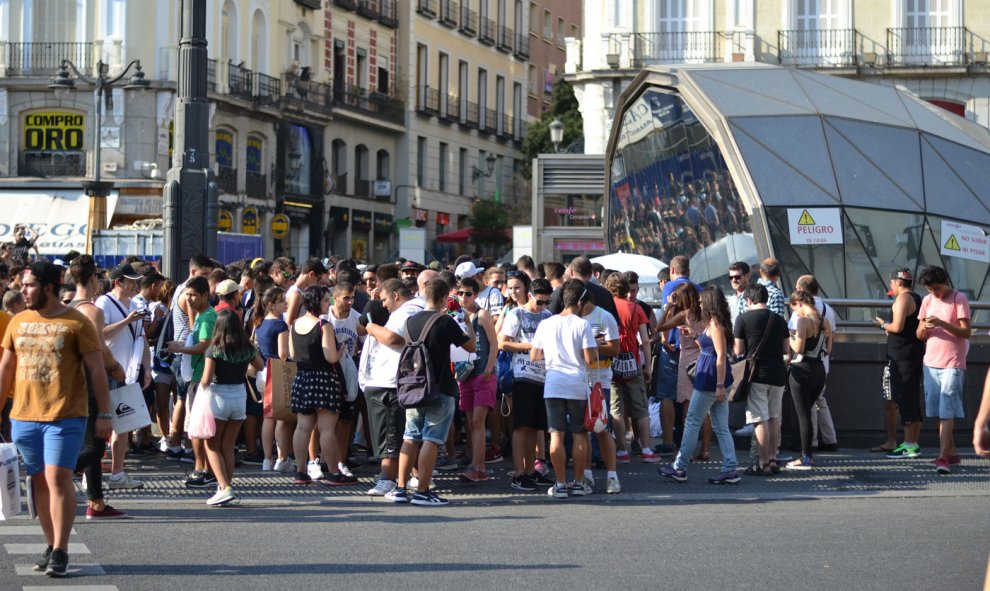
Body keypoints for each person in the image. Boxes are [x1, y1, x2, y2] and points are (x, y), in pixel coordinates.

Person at [0, 261, 112, 577]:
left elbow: (97, 371)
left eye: (29, 284)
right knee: (38, 482)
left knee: (57, 478)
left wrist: (104, 414)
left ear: (48, 287)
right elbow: (5, 370)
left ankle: (61, 548)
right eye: (22, 284)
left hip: (66, 416)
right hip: (23, 417)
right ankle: (51, 544)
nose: (22, 289)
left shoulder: (77, 322)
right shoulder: (17, 322)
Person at [393, 278, 475, 506]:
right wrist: (467, 321)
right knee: (431, 438)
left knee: (410, 437)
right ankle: (422, 491)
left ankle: (400, 488)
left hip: (414, 387)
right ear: (443, 298)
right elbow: (471, 347)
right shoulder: (446, 322)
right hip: (441, 386)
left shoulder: (409, 322)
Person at [66, 255, 128, 519]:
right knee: (96, 445)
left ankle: (97, 502)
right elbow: (100, 349)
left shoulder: (65, 306)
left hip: (70, 380)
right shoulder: (93, 311)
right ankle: (55, 476)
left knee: (88, 439)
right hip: (92, 380)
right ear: (93, 278)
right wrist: (115, 368)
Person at [659, 286, 740, 484]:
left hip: (710, 379)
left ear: (710, 303)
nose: (700, 303)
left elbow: (720, 356)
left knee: (693, 421)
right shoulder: (714, 322)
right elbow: (714, 349)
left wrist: (720, 385)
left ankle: (680, 467)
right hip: (715, 378)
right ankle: (730, 467)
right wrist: (695, 336)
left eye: (703, 301)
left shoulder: (715, 324)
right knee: (721, 426)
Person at [531, 280, 598, 498]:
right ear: (579, 302)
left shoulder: (547, 323)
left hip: (553, 383)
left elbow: (534, 355)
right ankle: (578, 483)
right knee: (579, 432)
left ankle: (559, 484)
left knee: (556, 434)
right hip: (576, 383)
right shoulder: (582, 325)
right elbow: (590, 359)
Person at [362, 278, 422, 497]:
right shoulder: (412, 309)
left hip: (392, 383)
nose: (384, 305)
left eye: (385, 299)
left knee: (391, 435)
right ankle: (405, 477)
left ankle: (388, 479)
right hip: (391, 381)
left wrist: (372, 327)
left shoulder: (406, 311)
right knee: (397, 434)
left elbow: (395, 339)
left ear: (396, 295)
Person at [198, 309, 264, 505]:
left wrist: (199, 388)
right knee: (228, 445)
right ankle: (225, 485)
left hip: (218, 396)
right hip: (239, 397)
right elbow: (260, 365)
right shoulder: (246, 347)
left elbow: (206, 379)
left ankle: (224, 487)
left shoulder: (214, 349)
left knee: (211, 445)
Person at [288, 285, 352, 485]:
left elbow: (292, 354)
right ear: (317, 301)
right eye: (326, 300)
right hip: (323, 379)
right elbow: (330, 357)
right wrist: (340, 349)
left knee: (302, 427)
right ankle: (333, 473)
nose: (329, 303)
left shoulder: (295, 324)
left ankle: (300, 472)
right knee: (326, 429)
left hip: (303, 378)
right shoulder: (323, 326)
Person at [96, 263, 152, 490]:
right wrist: (127, 320)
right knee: (102, 424)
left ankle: (118, 472)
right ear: (118, 282)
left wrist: (147, 367)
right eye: (130, 281)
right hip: (109, 370)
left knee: (125, 423)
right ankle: (93, 472)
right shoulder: (104, 303)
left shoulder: (136, 302)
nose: (135, 285)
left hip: (130, 372)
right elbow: (100, 334)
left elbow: (142, 338)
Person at [498, 273, 553, 492]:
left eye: (546, 301)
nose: (542, 306)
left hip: (544, 376)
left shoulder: (549, 315)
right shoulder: (516, 314)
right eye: (539, 301)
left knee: (535, 427)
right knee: (521, 426)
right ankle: (519, 473)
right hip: (522, 374)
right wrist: (531, 346)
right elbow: (502, 343)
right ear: (530, 296)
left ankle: (531, 471)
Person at [165, 275, 219, 488]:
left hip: (201, 379)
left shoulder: (206, 317)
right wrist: (180, 345)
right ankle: (203, 468)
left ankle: (202, 469)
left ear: (205, 295)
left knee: (197, 428)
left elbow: (204, 346)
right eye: (186, 295)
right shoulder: (201, 315)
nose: (188, 299)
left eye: (193, 295)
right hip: (197, 377)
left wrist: (180, 348)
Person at [916, 265, 971, 474]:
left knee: (947, 408)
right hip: (930, 362)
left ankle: (942, 457)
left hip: (953, 362)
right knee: (937, 411)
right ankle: (952, 453)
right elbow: (919, 334)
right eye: (930, 290)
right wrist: (925, 328)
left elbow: (966, 332)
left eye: (936, 289)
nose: (933, 293)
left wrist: (941, 323)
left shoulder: (959, 298)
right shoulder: (928, 301)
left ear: (945, 282)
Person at [734, 284, 789, 475]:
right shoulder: (780, 320)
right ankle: (773, 459)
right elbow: (786, 349)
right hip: (778, 375)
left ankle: (763, 463)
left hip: (756, 375)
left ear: (749, 300)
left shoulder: (742, 319)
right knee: (774, 418)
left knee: (760, 420)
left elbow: (738, 351)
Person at [604, 273, 659, 463]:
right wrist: (648, 368)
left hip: (612, 360)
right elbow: (644, 340)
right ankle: (645, 449)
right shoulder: (636, 308)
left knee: (616, 407)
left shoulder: (606, 308)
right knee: (640, 407)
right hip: (633, 360)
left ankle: (621, 451)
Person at [658, 282, 711, 459]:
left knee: (689, 409)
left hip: (688, 360)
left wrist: (668, 307)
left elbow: (660, 327)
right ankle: (705, 449)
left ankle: (686, 451)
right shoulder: (707, 314)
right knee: (705, 409)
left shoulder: (684, 315)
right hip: (705, 358)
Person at [876, 268, 925, 459]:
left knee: (903, 399)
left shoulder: (903, 299)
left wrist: (881, 324)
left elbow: (897, 327)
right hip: (911, 355)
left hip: (903, 357)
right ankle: (912, 444)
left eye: (892, 284)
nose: (891, 288)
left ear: (897, 282)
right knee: (911, 400)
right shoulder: (917, 298)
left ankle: (909, 446)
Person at [456, 276, 499, 483]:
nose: (464, 297)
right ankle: (477, 466)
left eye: (468, 293)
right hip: (465, 376)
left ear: (476, 295)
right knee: (471, 424)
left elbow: (494, 343)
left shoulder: (482, 315)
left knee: (477, 422)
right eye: (461, 293)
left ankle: (478, 467)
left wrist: (488, 369)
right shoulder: (457, 315)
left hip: (483, 374)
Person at [581, 285, 623, 494]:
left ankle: (612, 477)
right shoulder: (572, 318)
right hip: (578, 379)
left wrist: (593, 346)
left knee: (602, 428)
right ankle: (586, 476)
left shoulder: (604, 317)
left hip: (600, 380)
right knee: (583, 430)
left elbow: (615, 348)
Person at [324, 281, 366, 479]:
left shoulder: (357, 318)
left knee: (346, 420)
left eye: (352, 298)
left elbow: (366, 345)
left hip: (348, 373)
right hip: (327, 371)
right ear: (335, 297)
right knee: (322, 420)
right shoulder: (325, 317)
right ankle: (318, 459)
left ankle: (341, 461)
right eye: (346, 298)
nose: (350, 302)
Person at [786, 290, 831, 470]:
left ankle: (806, 458)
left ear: (799, 303)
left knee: (803, 416)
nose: (796, 314)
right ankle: (806, 456)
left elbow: (798, 347)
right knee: (807, 413)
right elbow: (828, 349)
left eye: (795, 310)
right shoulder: (824, 321)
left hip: (802, 371)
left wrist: (789, 336)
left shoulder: (803, 321)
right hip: (819, 371)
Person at [794, 275, 838, 452]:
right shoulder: (828, 310)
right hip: (822, 363)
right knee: (820, 400)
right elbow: (830, 337)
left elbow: (796, 340)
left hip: (804, 363)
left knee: (808, 404)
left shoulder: (802, 313)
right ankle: (830, 439)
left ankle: (809, 441)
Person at [727, 261, 751, 326]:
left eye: (737, 277)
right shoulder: (729, 300)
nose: (733, 280)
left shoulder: (755, 295)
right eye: (730, 278)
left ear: (748, 276)